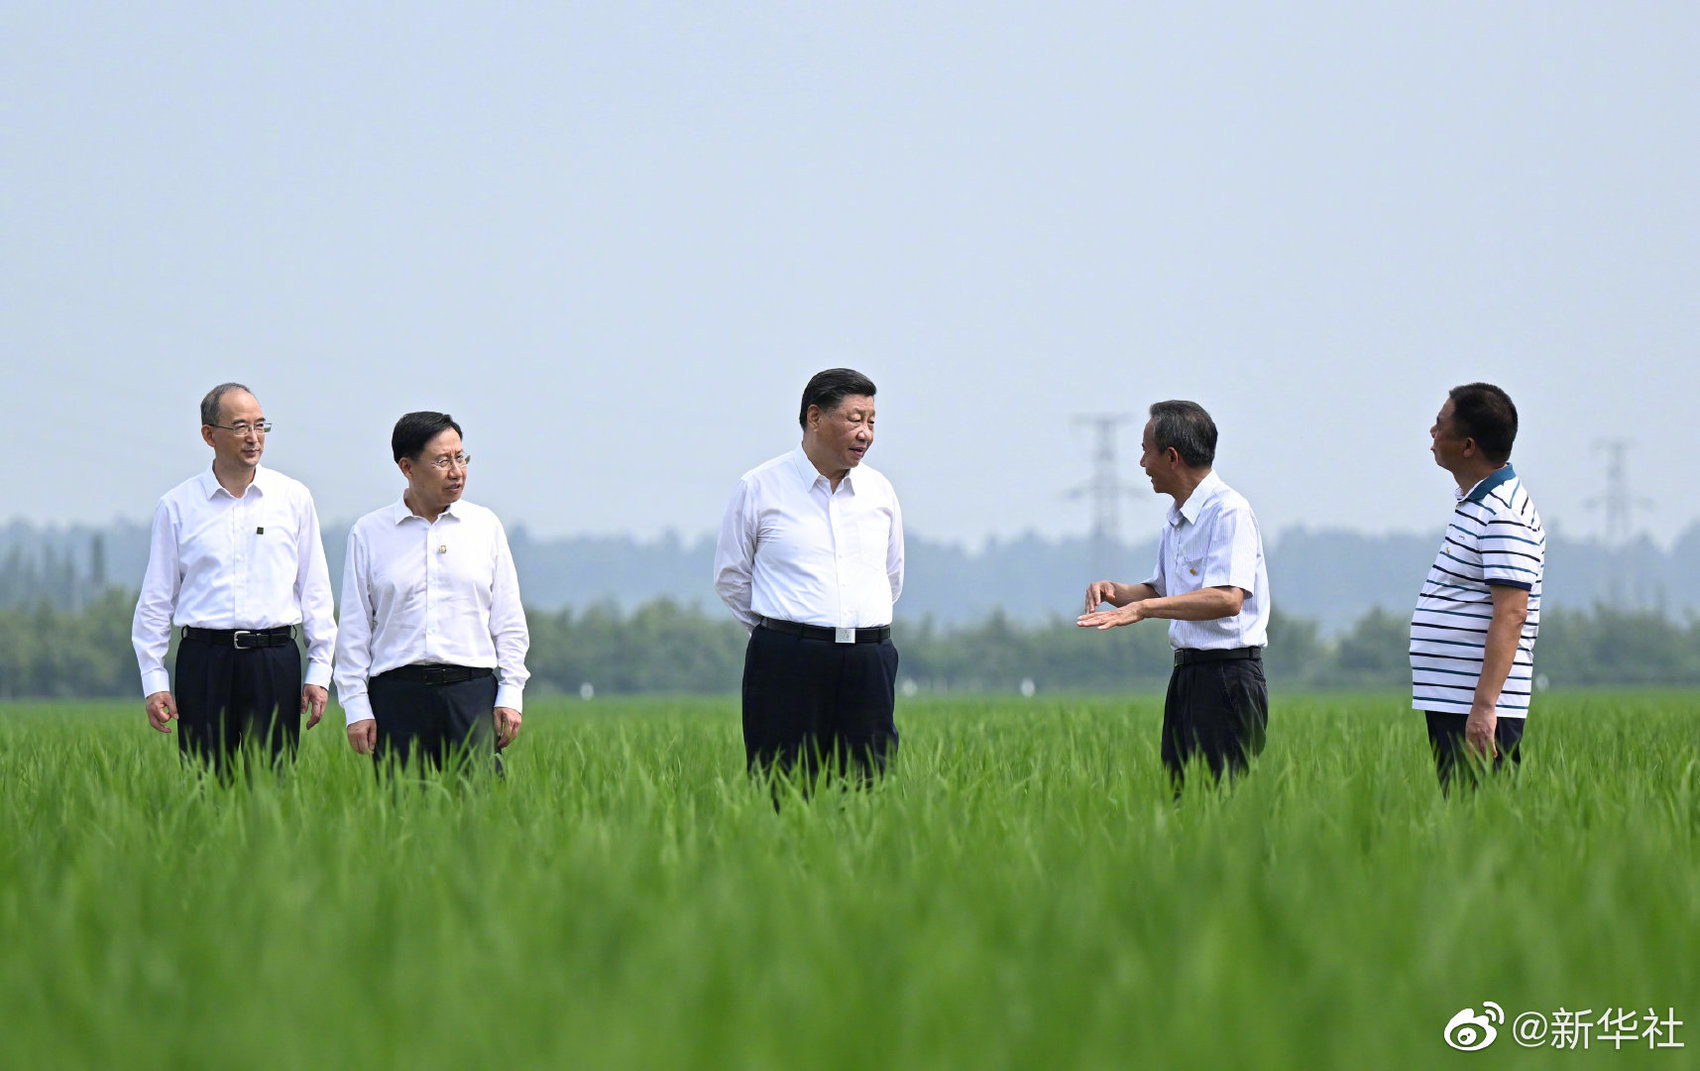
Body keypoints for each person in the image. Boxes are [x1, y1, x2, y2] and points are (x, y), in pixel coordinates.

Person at [131, 383, 336, 778]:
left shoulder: (293, 498)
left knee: (273, 788)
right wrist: (154, 679)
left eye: (261, 426)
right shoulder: (178, 506)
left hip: (274, 659)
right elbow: (157, 600)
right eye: (241, 426)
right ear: (209, 435)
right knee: (205, 784)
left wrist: (319, 672)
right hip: (205, 660)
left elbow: (315, 592)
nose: (253, 437)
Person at [713, 368, 904, 786]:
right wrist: (784, 632)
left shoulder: (880, 492)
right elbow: (731, 577)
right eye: (855, 419)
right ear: (815, 417)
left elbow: (891, 576)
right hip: (787, 662)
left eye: (872, 422)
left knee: (868, 791)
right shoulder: (760, 487)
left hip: (869, 661)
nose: (866, 433)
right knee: (782, 787)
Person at [1077, 400, 1270, 792]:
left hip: (1228, 678)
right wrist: (1119, 593)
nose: (1142, 463)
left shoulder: (1228, 511)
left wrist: (1144, 609)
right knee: (1182, 802)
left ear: (1172, 457)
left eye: (1146, 451)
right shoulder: (1177, 518)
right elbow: (1162, 590)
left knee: (1224, 805)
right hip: (1188, 677)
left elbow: (1226, 599)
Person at [334, 412, 529, 775]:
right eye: (442, 461)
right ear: (407, 467)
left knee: (479, 814)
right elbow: (355, 629)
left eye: (460, 457)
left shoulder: (484, 526)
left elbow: (509, 620)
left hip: (471, 694)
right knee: (403, 815)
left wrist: (511, 693)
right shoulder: (370, 533)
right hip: (397, 697)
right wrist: (357, 708)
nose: (456, 471)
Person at [1411, 383, 1544, 792]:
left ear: (1467, 446)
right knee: (1463, 823)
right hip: (1454, 698)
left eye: (1439, 425)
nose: (1432, 434)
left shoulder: (1504, 514)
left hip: (1475, 704)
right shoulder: (1476, 504)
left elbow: (1511, 612)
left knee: (1483, 824)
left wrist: (1485, 707)